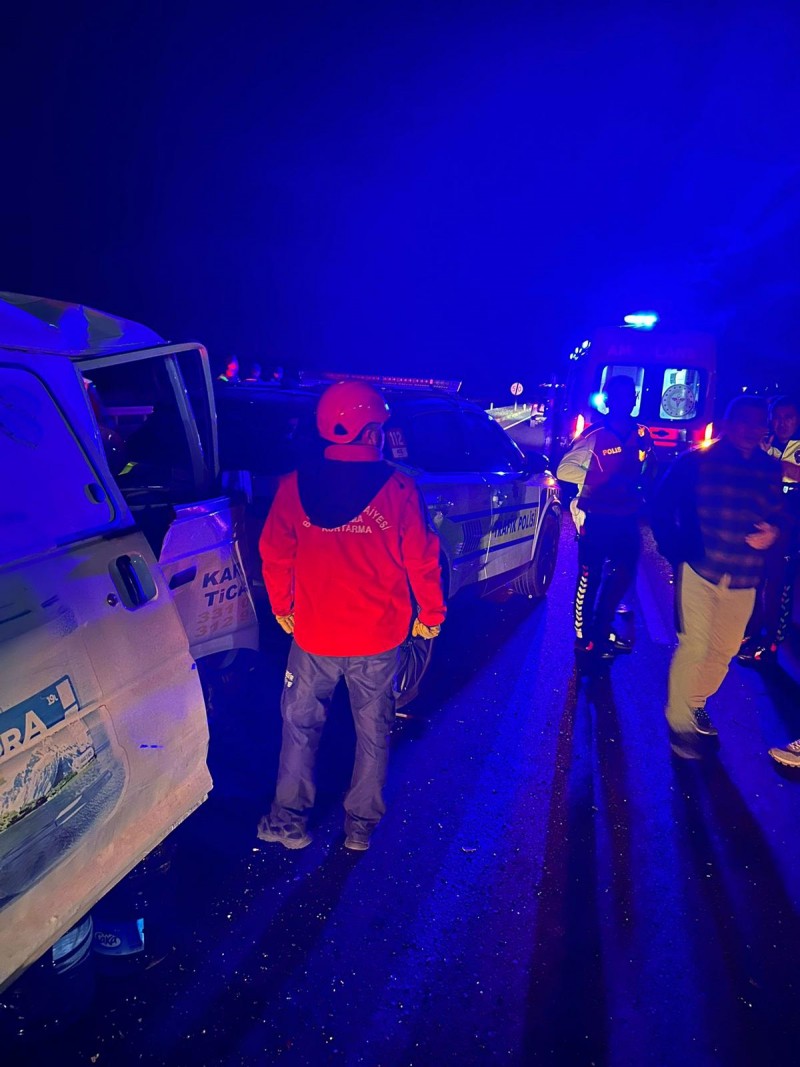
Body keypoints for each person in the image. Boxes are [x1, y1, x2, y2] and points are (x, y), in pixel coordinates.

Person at [257, 380, 446, 851]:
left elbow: (274, 553)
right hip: (378, 638)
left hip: (313, 635)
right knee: (373, 731)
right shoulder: (399, 488)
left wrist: (283, 607)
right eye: (379, 427)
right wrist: (431, 613)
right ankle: (360, 827)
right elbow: (421, 558)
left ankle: (288, 820)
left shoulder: (293, 485)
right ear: (370, 432)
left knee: (300, 728)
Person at [650, 395, 783, 758]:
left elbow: (782, 515)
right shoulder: (696, 461)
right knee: (694, 645)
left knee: (724, 650)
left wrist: (776, 533)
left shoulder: (770, 469)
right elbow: (660, 505)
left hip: (745, 577)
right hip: (700, 569)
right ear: (728, 423)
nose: (751, 430)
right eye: (744, 421)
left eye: (758, 423)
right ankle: (680, 726)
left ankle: (693, 703)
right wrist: (676, 550)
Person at [557, 375, 653, 660]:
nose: (626, 401)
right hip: (597, 517)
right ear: (609, 401)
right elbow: (564, 469)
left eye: (630, 396)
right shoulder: (594, 434)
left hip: (627, 517)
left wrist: (644, 490)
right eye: (619, 396)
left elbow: (649, 469)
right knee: (590, 575)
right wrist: (600, 479)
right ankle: (583, 636)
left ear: (635, 400)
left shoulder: (642, 434)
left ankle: (602, 626)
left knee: (623, 573)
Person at [738, 395, 800, 664]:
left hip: (791, 528)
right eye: (777, 418)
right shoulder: (763, 444)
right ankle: (752, 631)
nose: (782, 423)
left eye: (788, 418)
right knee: (755, 582)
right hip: (763, 523)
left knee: (779, 586)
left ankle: (773, 641)